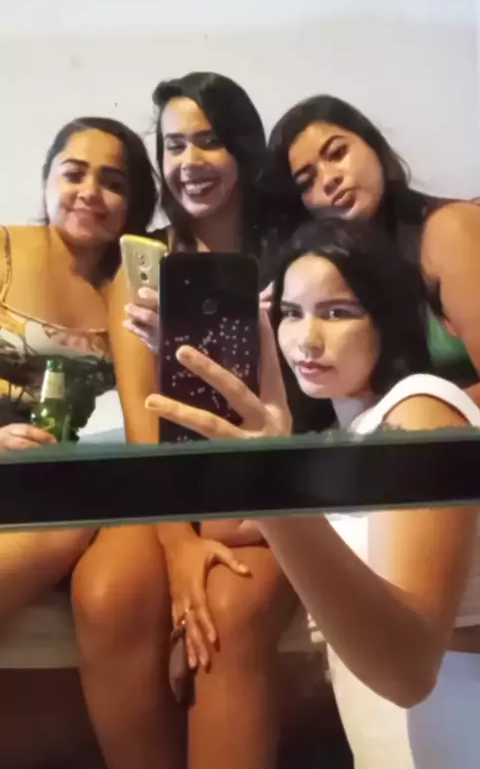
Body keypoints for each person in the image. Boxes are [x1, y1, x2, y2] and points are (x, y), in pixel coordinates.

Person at [146, 215, 480, 768]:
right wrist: (231, 390)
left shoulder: (421, 410)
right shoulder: (340, 440)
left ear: (386, 317)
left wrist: (274, 484)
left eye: (337, 312)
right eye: (290, 313)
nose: (307, 339)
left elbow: (408, 670)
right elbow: (227, 526)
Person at [73, 72, 302, 769]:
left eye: (208, 141)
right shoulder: (142, 267)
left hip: (266, 482)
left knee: (228, 611)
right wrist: (177, 547)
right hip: (167, 486)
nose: (189, 162)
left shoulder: (297, 255)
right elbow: (145, 424)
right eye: (174, 146)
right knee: (107, 593)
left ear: (242, 148)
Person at [0, 114, 157, 654]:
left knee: (75, 520)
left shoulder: (132, 286)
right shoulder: (4, 249)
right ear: (47, 180)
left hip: (58, 482)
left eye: (113, 183)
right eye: (73, 174)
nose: (90, 192)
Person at [267, 94, 480, 395]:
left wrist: (410, 415)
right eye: (306, 182)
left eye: (337, 153)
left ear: (374, 147)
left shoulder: (449, 228)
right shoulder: (337, 269)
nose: (328, 180)